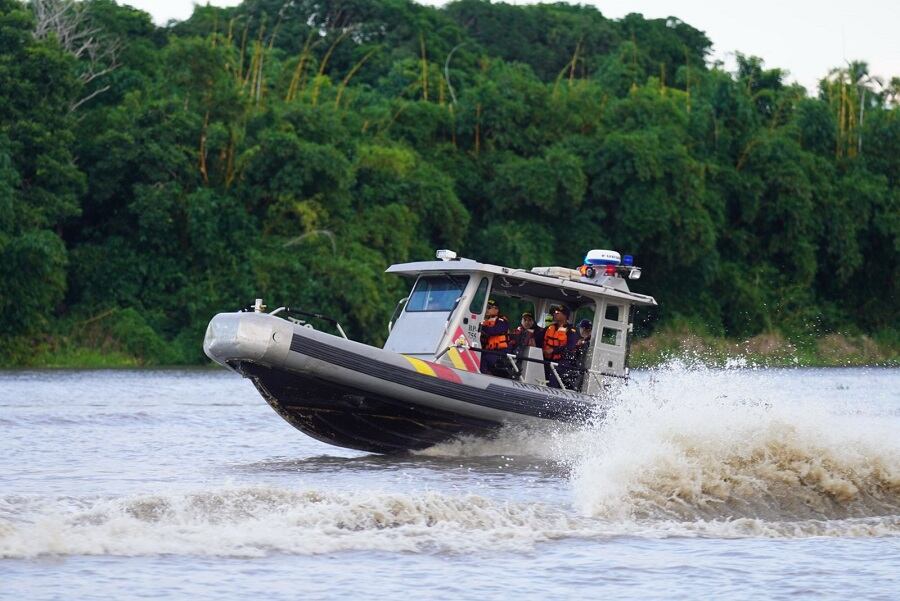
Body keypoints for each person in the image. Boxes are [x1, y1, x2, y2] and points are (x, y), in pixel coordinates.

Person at [541, 306, 578, 388]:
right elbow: (539, 338)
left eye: (557, 313)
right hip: (547, 358)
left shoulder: (572, 331)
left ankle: (551, 392)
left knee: (555, 371)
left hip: (563, 360)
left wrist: (553, 350)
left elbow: (569, 347)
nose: (555, 314)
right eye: (555, 312)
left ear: (565, 316)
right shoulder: (550, 328)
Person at [479, 299, 511, 375]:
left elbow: (494, 331)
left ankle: (484, 375)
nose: (486, 309)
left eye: (489, 307)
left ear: (496, 310)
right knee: (477, 353)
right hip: (490, 350)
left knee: (485, 358)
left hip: (501, 352)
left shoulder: (502, 321)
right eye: (485, 307)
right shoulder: (485, 321)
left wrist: (481, 327)